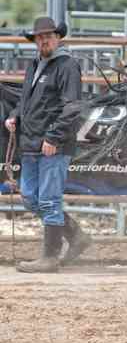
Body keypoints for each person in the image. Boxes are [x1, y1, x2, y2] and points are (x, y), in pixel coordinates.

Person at [4, 16, 92, 273]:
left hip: (53, 144)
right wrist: (15, 116)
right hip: (31, 143)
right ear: (35, 40)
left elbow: (72, 106)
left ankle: (50, 257)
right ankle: (76, 236)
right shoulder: (35, 65)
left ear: (58, 37)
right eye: (39, 37)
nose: (43, 40)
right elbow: (27, 100)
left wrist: (54, 137)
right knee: (31, 198)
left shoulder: (67, 66)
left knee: (49, 200)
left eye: (48, 36)